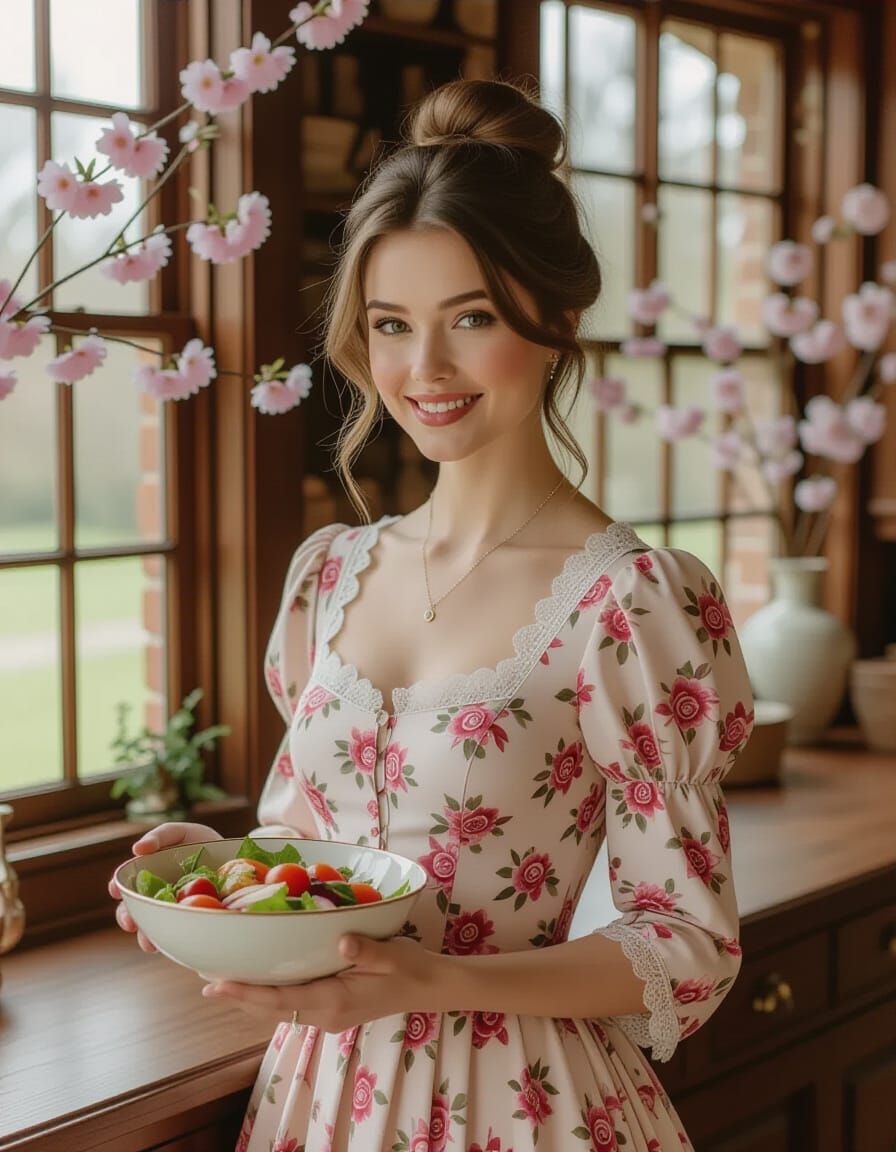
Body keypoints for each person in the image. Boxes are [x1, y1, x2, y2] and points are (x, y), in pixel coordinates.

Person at [111, 78, 756, 1152]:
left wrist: (436, 978)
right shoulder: (329, 575)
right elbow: (333, 855)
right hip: (317, 1100)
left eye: (472, 318)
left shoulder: (631, 604)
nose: (425, 370)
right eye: (390, 325)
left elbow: (685, 944)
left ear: (554, 317)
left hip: (523, 1102)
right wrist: (227, 875)